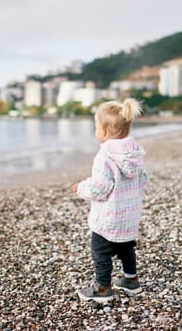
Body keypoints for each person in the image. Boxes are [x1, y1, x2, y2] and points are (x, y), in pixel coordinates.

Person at [73, 98, 149, 303]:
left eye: (96, 127)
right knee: (127, 249)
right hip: (130, 216)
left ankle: (103, 288)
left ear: (105, 131)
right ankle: (131, 280)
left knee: (101, 253)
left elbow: (99, 188)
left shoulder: (105, 156)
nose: (96, 131)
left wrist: (81, 188)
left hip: (108, 219)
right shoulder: (135, 153)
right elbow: (143, 179)